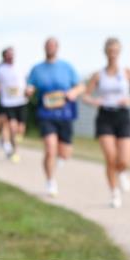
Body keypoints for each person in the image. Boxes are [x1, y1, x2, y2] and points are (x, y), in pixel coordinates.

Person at [83, 37, 130, 208]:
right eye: (110, 52)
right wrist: (94, 101)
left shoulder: (127, 73)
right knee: (110, 156)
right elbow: (86, 95)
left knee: (124, 159)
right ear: (106, 53)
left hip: (123, 115)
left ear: (119, 53)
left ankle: (122, 171)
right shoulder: (98, 75)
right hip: (105, 116)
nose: (113, 55)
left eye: (116, 52)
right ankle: (114, 192)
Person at [26, 38, 84, 196]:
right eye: (48, 45)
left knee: (65, 153)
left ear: (57, 48)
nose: (50, 48)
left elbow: (80, 86)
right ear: (44, 48)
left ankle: (60, 160)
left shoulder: (67, 67)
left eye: (53, 45)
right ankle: (50, 181)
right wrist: (29, 91)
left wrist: (73, 92)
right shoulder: (37, 69)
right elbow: (30, 86)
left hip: (65, 114)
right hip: (46, 113)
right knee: (50, 149)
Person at [0, 47, 28, 162]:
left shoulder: (20, 67)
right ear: (4, 56)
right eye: (8, 54)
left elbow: (25, 83)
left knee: (20, 129)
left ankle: (12, 143)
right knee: (12, 127)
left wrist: (28, 91)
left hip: (21, 101)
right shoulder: (0, 69)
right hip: (8, 103)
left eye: (12, 54)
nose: (11, 56)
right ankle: (15, 151)